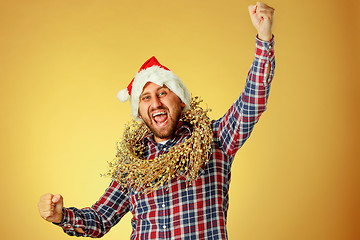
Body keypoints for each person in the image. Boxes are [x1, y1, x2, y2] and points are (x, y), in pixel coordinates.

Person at [38, 2, 275, 239]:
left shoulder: (214, 140)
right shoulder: (134, 162)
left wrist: (264, 40)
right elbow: (101, 218)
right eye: (146, 98)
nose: (156, 103)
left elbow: (251, 103)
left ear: (180, 101)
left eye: (163, 93)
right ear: (140, 112)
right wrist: (62, 216)